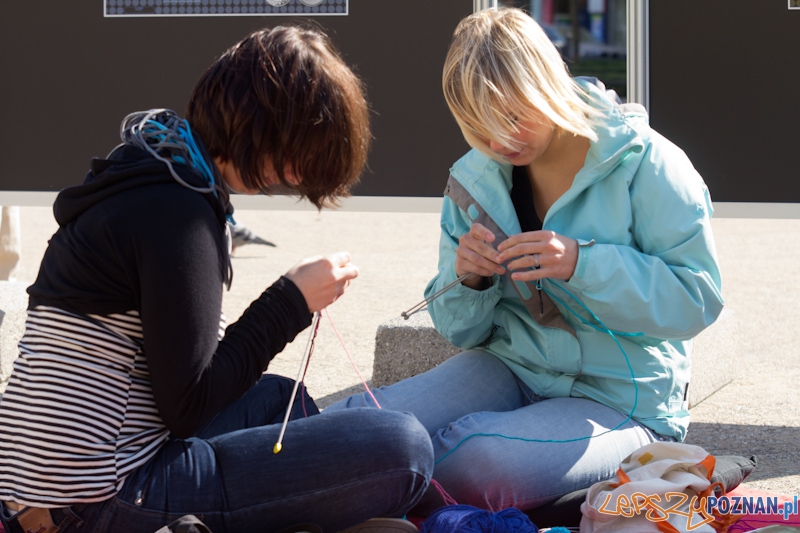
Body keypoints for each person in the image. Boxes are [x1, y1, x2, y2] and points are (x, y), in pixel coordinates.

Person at [0, 26, 433, 533]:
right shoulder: (179, 214)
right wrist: (290, 301)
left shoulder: (158, 171)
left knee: (275, 398)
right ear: (262, 123)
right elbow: (188, 406)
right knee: (403, 448)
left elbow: (176, 378)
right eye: (299, 154)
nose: (294, 177)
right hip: (100, 497)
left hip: (37, 485)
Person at [326, 7, 723, 515]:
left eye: (514, 117)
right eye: (478, 126)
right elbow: (461, 333)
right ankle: (234, 475)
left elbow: (697, 301)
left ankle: (325, 493)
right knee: (367, 421)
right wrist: (467, 279)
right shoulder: (474, 178)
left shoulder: (649, 163)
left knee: (475, 461)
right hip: (509, 366)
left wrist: (582, 263)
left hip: (622, 400)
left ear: (546, 84)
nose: (499, 142)